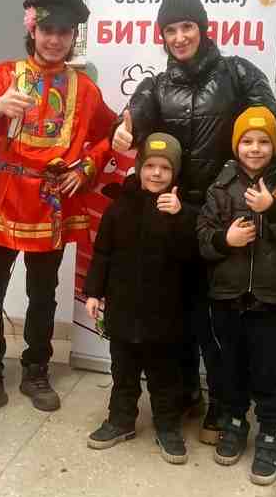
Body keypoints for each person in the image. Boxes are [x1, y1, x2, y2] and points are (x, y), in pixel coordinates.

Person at [112, 0, 276, 445]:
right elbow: (130, 119)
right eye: (170, 30)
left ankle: (225, 407)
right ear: (162, 36)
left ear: (203, 29)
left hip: (226, 212)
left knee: (216, 320)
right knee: (177, 313)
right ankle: (187, 393)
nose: (179, 37)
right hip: (175, 216)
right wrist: (121, 132)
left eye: (187, 26)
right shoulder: (155, 86)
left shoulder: (238, 73)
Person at [0, 0, 115, 423]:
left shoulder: (84, 89)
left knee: (43, 294)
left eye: (64, 31)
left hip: (51, 199)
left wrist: (88, 167)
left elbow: (109, 132)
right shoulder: (6, 73)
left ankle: (36, 371)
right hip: (5, 192)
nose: (55, 39)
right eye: (47, 30)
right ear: (33, 31)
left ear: (73, 37)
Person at [197, 106, 276, 484]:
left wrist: (273, 209)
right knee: (230, 365)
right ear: (236, 145)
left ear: (274, 146)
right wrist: (224, 240)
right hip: (227, 295)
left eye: (264, 141)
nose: (255, 148)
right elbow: (202, 238)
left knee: (267, 369)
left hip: (273, 297)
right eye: (247, 140)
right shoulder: (220, 185)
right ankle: (234, 421)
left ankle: (268, 432)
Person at [84, 133, 197, 464]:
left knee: (165, 378)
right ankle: (120, 421)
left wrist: (181, 217)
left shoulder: (185, 210)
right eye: (150, 166)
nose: (157, 173)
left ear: (175, 173)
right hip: (123, 310)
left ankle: (167, 427)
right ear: (139, 167)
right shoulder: (120, 207)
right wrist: (93, 292)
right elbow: (102, 253)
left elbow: (193, 256)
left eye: (165, 168)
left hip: (166, 315)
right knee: (123, 373)